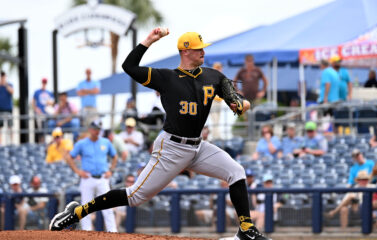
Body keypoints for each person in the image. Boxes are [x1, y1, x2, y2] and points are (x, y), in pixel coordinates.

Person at [50, 28, 269, 240]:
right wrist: (148, 41)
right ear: (185, 52)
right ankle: (77, 213)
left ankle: (246, 229)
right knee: (135, 196)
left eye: (203, 48)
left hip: (198, 146)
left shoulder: (214, 76)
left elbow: (238, 102)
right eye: (198, 48)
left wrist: (240, 104)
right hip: (171, 147)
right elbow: (129, 66)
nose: (203, 52)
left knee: (236, 171)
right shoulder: (166, 77)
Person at [63, 120, 118, 232]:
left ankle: (112, 231)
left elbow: (115, 156)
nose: (96, 131)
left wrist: (111, 170)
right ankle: (87, 231)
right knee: (86, 206)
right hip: (87, 178)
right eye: (94, 129)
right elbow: (69, 157)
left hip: (102, 178)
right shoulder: (82, 143)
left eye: (98, 129)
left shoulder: (105, 142)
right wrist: (78, 171)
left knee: (107, 206)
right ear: (90, 129)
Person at [32, 78, 54, 143]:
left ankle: (47, 142)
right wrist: (36, 109)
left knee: (47, 129)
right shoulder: (37, 92)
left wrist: (48, 103)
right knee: (40, 130)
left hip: (47, 114)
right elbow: (33, 102)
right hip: (40, 114)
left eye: (45, 82)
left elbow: (52, 102)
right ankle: (41, 142)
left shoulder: (49, 92)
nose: (44, 84)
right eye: (43, 82)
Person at [209, 62, 224, 139]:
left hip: (219, 101)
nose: (219, 69)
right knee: (214, 120)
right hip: (213, 101)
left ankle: (216, 136)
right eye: (217, 67)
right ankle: (216, 136)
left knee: (217, 120)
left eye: (220, 67)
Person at [0, 71, 13, 145]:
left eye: (3, 76)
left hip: (8, 109)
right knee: (0, 127)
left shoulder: (9, 85)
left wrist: (6, 84)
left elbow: (12, 91)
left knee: (10, 126)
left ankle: (11, 142)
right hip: (0, 109)